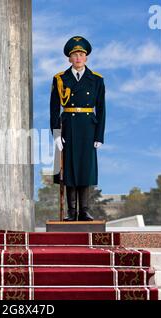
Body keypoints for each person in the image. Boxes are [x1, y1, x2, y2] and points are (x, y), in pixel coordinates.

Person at [50, 36, 106, 222]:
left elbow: (102, 108)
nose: (78, 58)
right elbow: (53, 108)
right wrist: (56, 133)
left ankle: (84, 210)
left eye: (81, 54)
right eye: (75, 55)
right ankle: (71, 211)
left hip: (88, 128)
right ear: (69, 58)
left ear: (86, 57)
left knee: (85, 169)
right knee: (69, 170)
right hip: (68, 127)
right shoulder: (60, 79)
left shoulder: (97, 80)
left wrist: (99, 135)